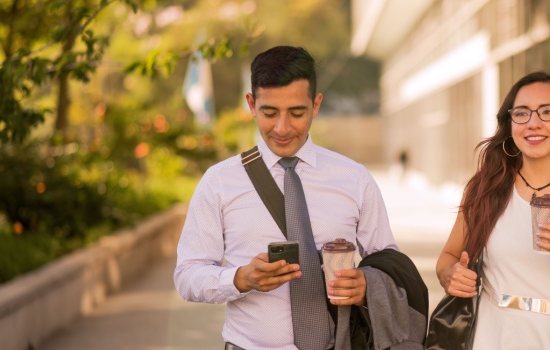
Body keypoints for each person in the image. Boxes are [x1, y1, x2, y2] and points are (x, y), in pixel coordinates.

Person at [174, 46, 426, 350]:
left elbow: (388, 258)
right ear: (251, 104)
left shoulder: (354, 178)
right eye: (269, 113)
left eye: (296, 113)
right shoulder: (219, 182)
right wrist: (241, 278)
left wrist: (366, 285)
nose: (282, 128)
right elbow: (188, 275)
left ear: (316, 105)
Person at [435, 70, 550, 349]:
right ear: (510, 124)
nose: (533, 123)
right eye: (521, 113)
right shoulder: (486, 188)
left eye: (548, 112)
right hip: (494, 336)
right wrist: (450, 275)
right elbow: (448, 257)